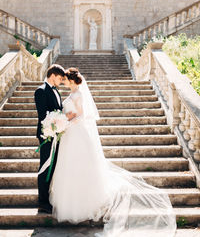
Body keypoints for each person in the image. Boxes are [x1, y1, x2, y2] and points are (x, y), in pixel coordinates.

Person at [49, 68, 177, 237]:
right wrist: (63, 122)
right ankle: (70, 202)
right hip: (70, 136)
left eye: (65, 79)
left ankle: (84, 203)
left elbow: (81, 115)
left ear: (71, 81)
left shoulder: (78, 95)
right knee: (70, 167)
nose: (63, 81)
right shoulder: (72, 94)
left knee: (80, 166)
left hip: (77, 133)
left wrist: (66, 123)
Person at [34, 64, 75, 214]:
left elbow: (56, 110)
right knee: (45, 168)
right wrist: (62, 119)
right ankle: (42, 202)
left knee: (52, 168)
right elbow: (43, 116)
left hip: (56, 134)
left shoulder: (55, 91)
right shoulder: (41, 91)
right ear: (52, 76)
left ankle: (47, 198)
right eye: (60, 78)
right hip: (47, 135)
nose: (61, 81)